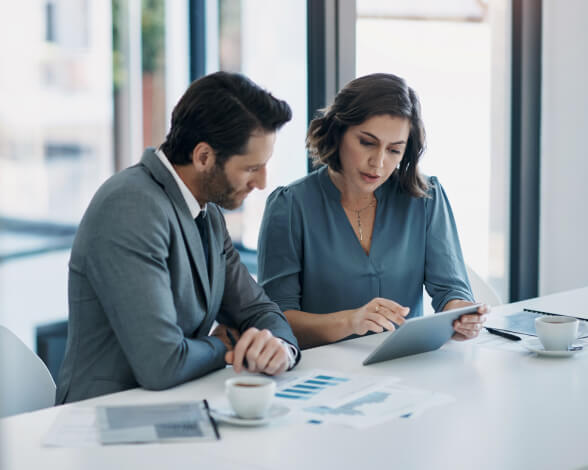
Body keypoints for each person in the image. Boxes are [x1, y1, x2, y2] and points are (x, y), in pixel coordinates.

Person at [56, 71, 300, 404]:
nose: (262, 182)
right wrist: (226, 346)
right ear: (203, 157)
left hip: (178, 407)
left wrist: (278, 348)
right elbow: (162, 363)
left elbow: (258, 310)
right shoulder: (130, 206)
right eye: (250, 168)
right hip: (105, 420)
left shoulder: (207, 212)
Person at [257, 73, 488, 349]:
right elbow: (275, 321)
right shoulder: (290, 206)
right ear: (338, 132)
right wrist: (351, 321)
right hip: (322, 373)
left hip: (405, 365)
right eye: (367, 142)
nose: (378, 163)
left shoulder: (426, 197)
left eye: (394, 150)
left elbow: (451, 290)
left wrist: (461, 315)